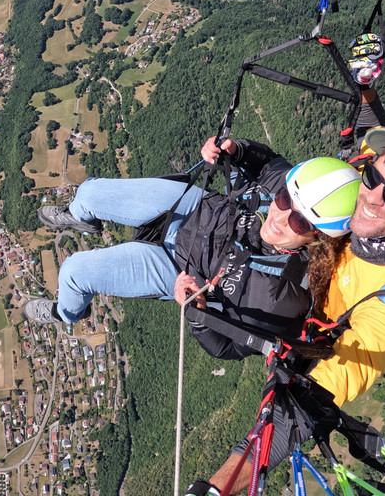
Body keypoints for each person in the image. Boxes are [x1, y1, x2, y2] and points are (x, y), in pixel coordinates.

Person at [186, 111, 385, 496]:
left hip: (294, 314)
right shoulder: (364, 197)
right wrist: (241, 153)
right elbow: (307, 165)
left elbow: (349, 368)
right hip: (282, 267)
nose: (371, 197)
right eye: (373, 177)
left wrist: (220, 486)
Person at [24, 138, 360, 360]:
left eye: (299, 223)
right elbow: (267, 163)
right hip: (192, 207)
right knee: (89, 194)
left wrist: (197, 316)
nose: (279, 217)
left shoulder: (285, 302)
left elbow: (228, 348)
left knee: (73, 273)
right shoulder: (293, 188)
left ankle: (65, 313)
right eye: (286, 200)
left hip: (175, 267)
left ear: (319, 237)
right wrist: (234, 149)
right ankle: (80, 216)